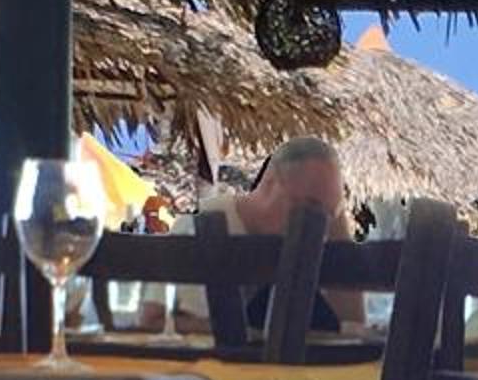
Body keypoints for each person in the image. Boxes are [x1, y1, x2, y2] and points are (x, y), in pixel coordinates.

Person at [150, 136, 356, 332]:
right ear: (271, 184)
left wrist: (337, 224)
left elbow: (352, 325)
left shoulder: (313, 243)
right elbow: (152, 319)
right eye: (309, 207)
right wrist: (253, 334)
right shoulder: (200, 226)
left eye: (329, 214)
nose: (318, 224)